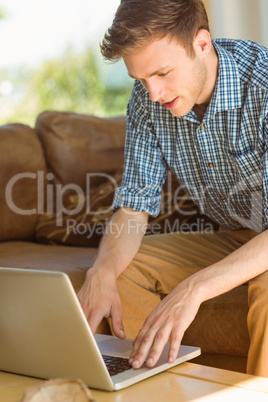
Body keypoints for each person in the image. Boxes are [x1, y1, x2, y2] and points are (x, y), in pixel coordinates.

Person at [78, 0, 268, 377]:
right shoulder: (147, 100)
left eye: (163, 73)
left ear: (201, 43)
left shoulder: (263, 86)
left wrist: (194, 287)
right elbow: (134, 206)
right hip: (240, 235)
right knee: (118, 273)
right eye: (141, 80)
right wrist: (101, 270)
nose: (153, 94)